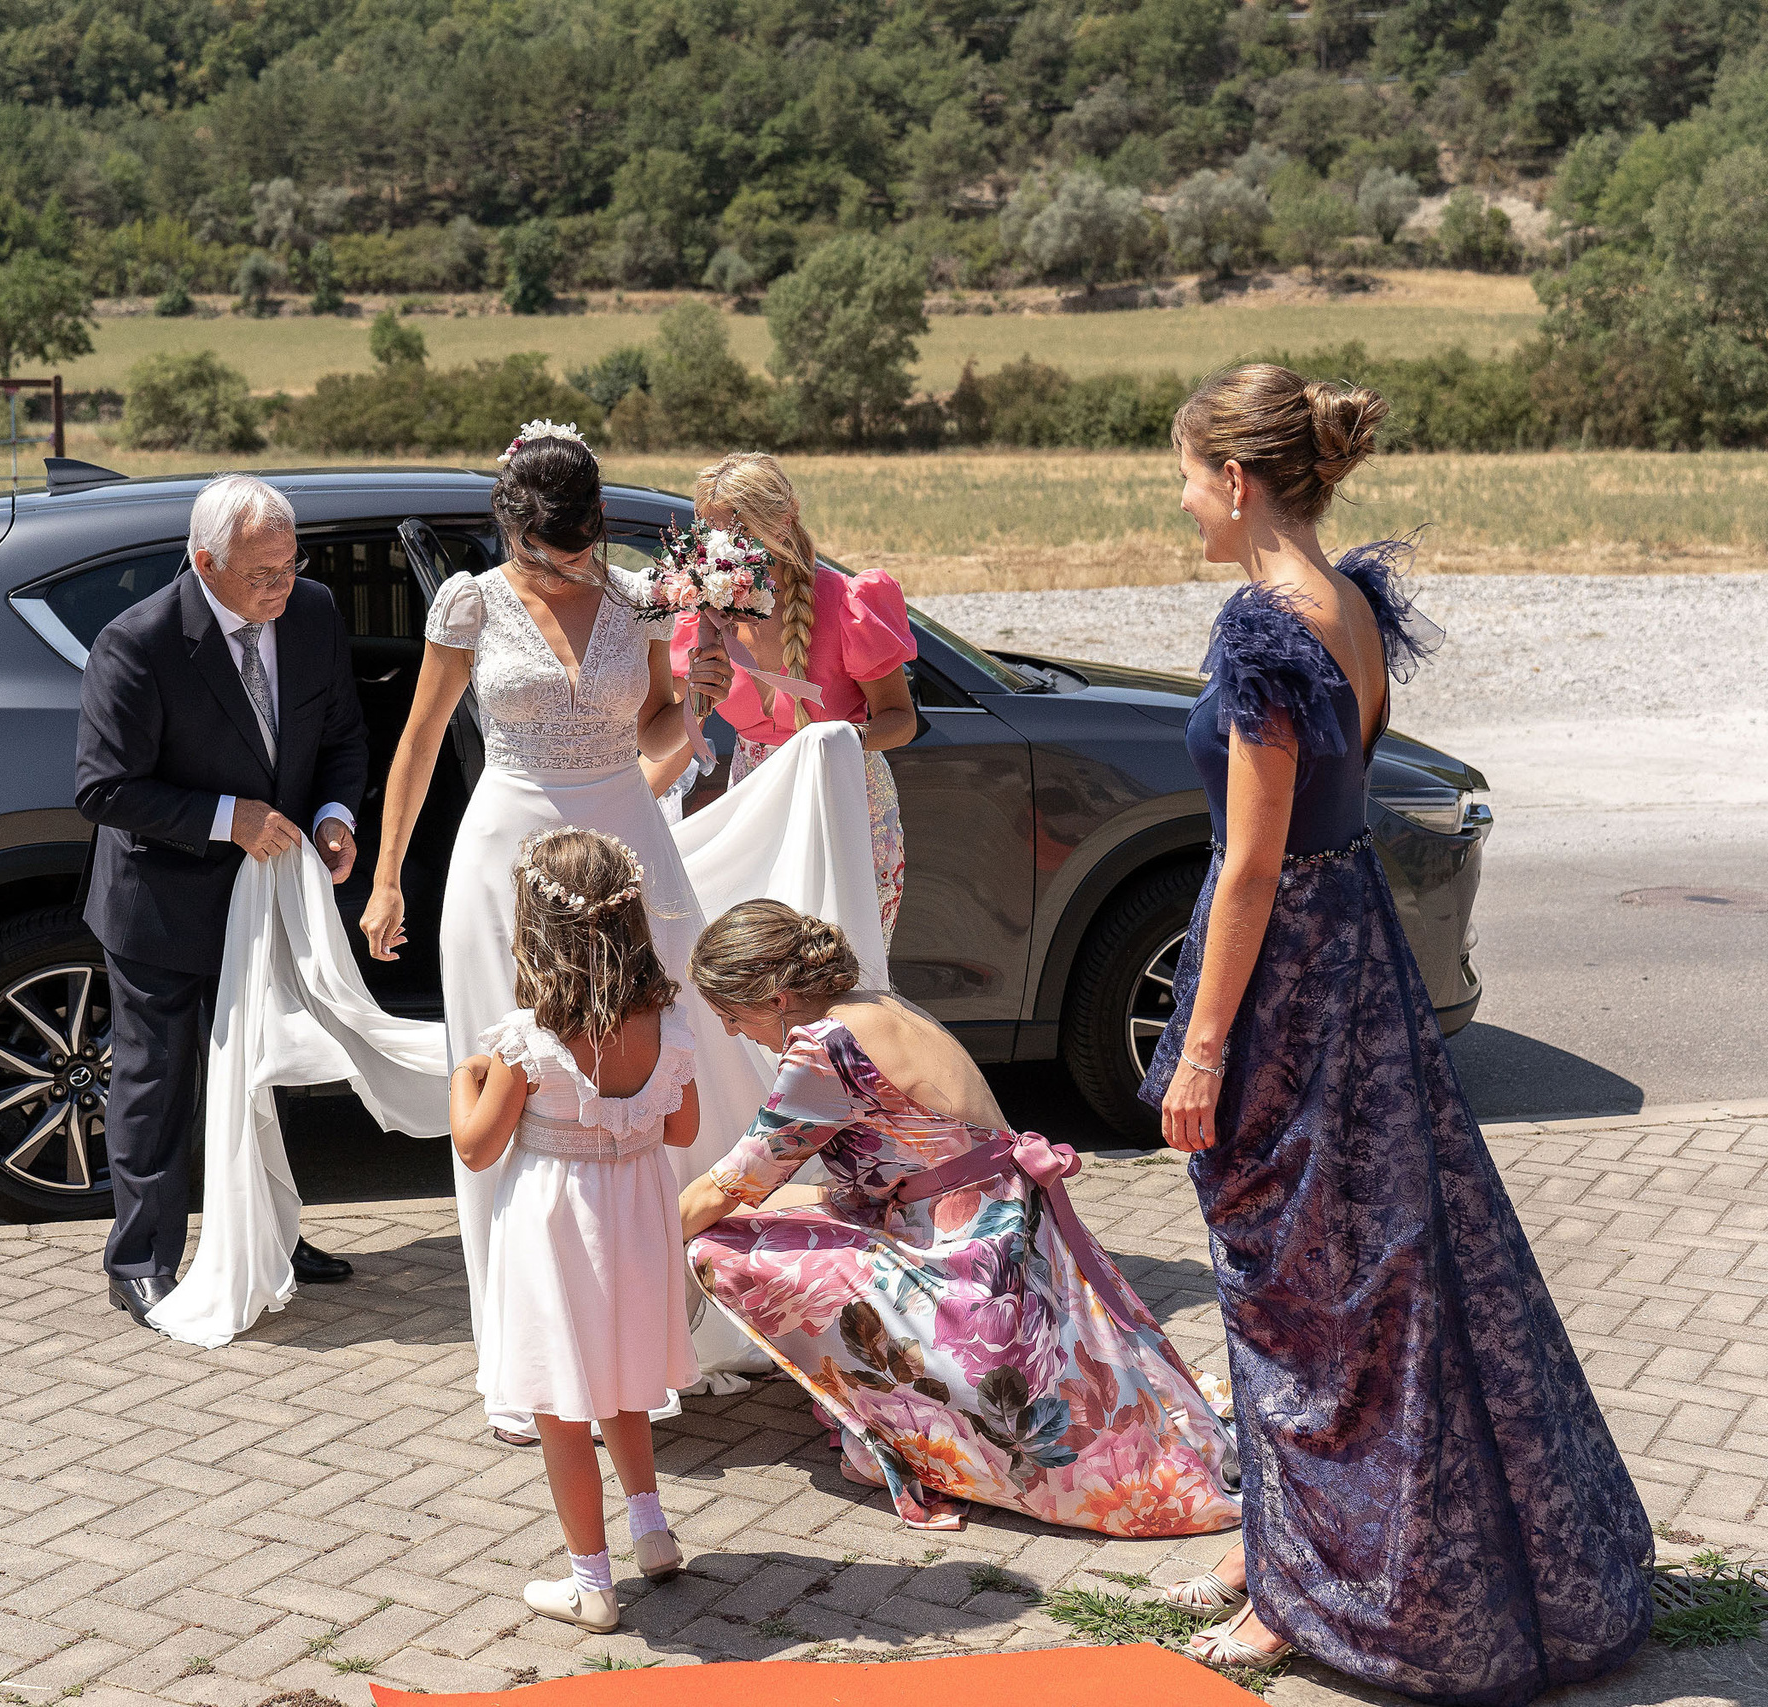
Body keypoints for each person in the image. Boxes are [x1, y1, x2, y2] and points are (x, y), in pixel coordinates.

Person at [1140, 364, 1651, 1700]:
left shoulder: (1264, 628)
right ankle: (1291, 1540)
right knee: (1373, 1265)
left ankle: (1297, 1590)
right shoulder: (1349, 604)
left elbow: (1249, 866)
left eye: (1187, 476)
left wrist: (1199, 1048)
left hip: (1288, 979)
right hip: (1357, 949)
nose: (1180, 500)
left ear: (1238, 482)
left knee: (1295, 1276)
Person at [360, 423, 892, 1447]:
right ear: (510, 528)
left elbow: (654, 725)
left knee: (652, 1071)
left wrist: (690, 710)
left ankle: (648, 1339)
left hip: (625, 839)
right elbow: (421, 741)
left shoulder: (642, 597)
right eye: (542, 545)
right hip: (505, 855)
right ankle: (523, 1358)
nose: (563, 561)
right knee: (511, 1094)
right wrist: (386, 880)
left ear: (596, 522)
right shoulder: (467, 601)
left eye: (576, 540)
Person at [678, 900, 1243, 1538]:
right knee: (773, 1214)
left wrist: (645, 1240)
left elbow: (737, 1176)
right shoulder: (875, 1005)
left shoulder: (823, 1049)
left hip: (965, 1255)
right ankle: (880, 1410)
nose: (730, 1031)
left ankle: (902, 1424)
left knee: (715, 1247)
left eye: (732, 1015)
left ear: (778, 997)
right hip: (1007, 1224)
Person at [75, 473, 367, 1327]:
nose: (284, 587)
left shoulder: (311, 612)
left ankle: (267, 1236)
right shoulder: (137, 643)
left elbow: (342, 733)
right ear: (205, 562)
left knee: (266, 1072)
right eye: (262, 574)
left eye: (291, 565)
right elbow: (102, 790)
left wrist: (335, 815)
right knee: (156, 1084)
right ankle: (141, 1259)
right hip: (162, 905)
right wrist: (223, 818)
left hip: (272, 899)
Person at [451, 828, 699, 1632]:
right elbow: (682, 1127)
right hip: (635, 1216)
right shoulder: (662, 1022)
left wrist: (465, 1077)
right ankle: (651, 1529)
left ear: (535, 929)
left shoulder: (527, 1042)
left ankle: (591, 1582)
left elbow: (477, 1146)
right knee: (620, 1375)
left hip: (556, 1227)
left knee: (563, 1403)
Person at [669, 453, 918, 941]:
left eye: (736, 533)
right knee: (760, 975)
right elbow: (674, 738)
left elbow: (901, 721)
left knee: (844, 967)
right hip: (755, 802)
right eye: (711, 534)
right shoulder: (708, 610)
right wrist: (698, 692)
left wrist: (836, 738)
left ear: (782, 521)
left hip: (845, 795)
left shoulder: (847, 602)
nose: (722, 550)